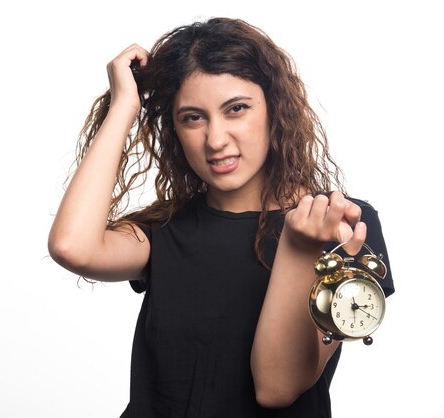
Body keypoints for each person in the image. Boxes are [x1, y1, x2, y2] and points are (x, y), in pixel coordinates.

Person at [48, 17, 395, 417]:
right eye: (192, 117)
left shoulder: (337, 222)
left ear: (274, 108)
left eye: (236, 109)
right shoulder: (164, 231)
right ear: (173, 129)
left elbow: (277, 387)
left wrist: (299, 247)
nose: (215, 140)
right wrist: (125, 104)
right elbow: (71, 246)